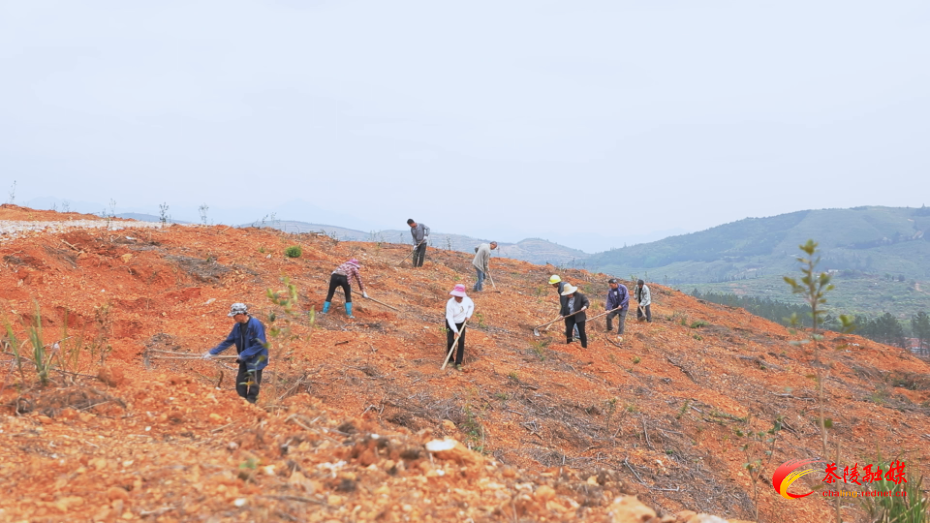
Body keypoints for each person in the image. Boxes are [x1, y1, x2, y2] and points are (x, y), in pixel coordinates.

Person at [202, 303, 268, 404]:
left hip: (256, 359)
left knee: (253, 384)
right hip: (244, 359)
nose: (233, 317)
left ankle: (251, 404)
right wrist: (213, 352)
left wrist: (245, 353)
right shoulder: (237, 326)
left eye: (234, 315)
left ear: (241, 314)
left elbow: (260, 343)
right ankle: (241, 402)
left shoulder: (256, 324)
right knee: (240, 384)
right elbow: (229, 341)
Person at [444, 284, 475, 370]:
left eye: (459, 296)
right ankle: (450, 360)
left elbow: (471, 306)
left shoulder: (467, 300)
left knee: (461, 341)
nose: (457, 298)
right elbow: (449, 318)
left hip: (461, 322)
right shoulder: (450, 303)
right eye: (456, 296)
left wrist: (468, 315)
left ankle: (458, 362)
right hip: (451, 323)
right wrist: (455, 330)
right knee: (450, 341)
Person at [560, 284, 589, 348]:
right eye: (567, 294)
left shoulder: (580, 296)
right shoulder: (565, 298)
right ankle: (569, 344)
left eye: (569, 293)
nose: (568, 295)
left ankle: (584, 346)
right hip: (569, 316)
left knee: (581, 331)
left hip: (579, 316)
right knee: (569, 330)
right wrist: (562, 315)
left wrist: (584, 307)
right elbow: (563, 307)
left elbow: (586, 302)